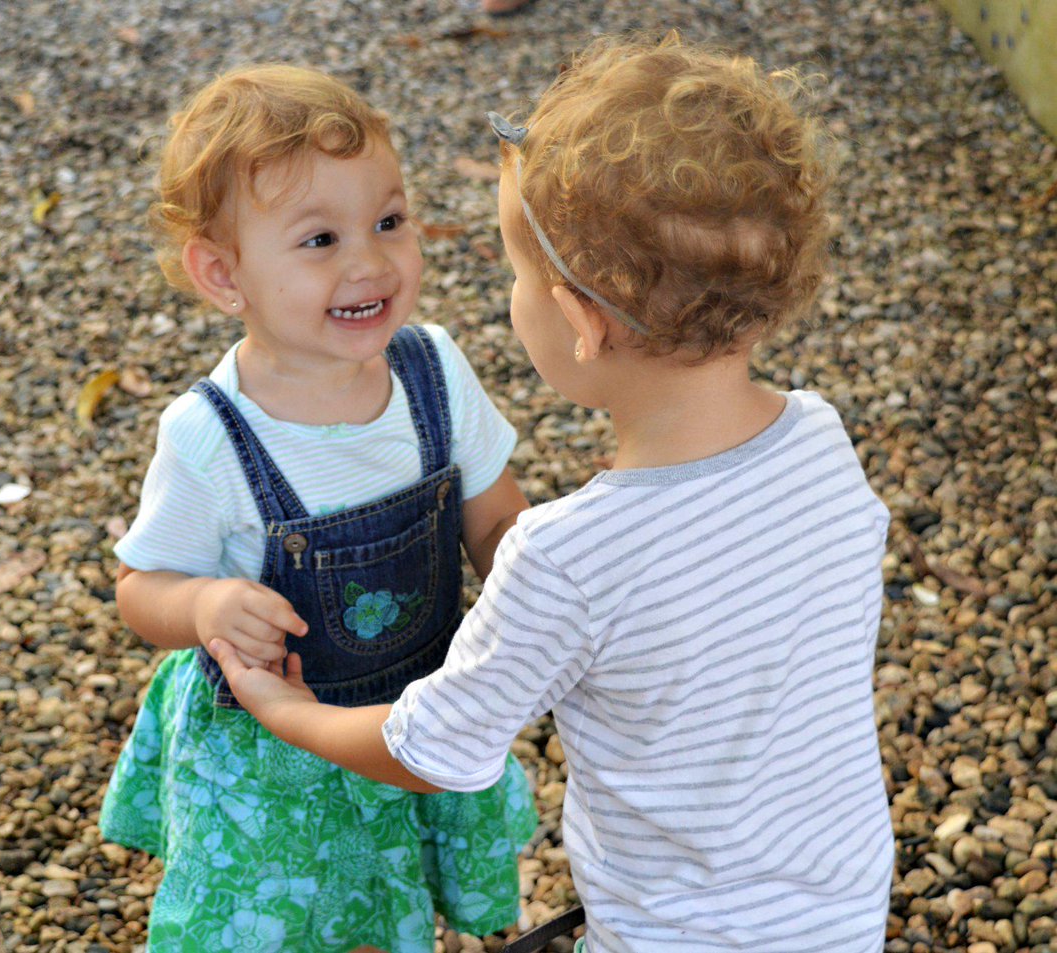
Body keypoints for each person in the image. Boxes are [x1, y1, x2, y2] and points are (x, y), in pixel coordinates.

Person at [209, 33, 894, 953]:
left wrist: (285, 709)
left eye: (516, 273)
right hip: (843, 908)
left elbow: (434, 747)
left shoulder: (569, 557)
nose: (510, 297)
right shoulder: (820, 437)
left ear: (578, 320)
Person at [99, 64, 538, 953]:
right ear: (223, 274)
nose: (369, 262)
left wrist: (539, 595)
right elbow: (140, 588)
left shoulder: (434, 372)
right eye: (320, 239)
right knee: (278, 919)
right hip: (272, 754)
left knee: (389, 895)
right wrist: (205, 603)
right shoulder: (209, 434)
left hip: (418, 713)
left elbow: (497, 522)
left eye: (389, 221)